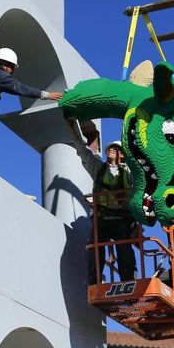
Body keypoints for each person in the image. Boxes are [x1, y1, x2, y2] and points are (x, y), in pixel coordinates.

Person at [65, 119, 137, 285]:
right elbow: (82, 150)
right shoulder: (98, 168)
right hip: (102, 218)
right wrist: (71, 127)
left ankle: (129, 283)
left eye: (116, 149)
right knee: (95, 247)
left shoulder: (131, 173)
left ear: (123, 154)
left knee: (124, 249)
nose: (111, 150)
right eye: (110, 149)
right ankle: (93, 281)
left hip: (122, 219)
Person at [0, 48, 63, 159]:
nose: (11, 72)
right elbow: (19, 88)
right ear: (5, 65)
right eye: (12, 69)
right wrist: (46, 95)